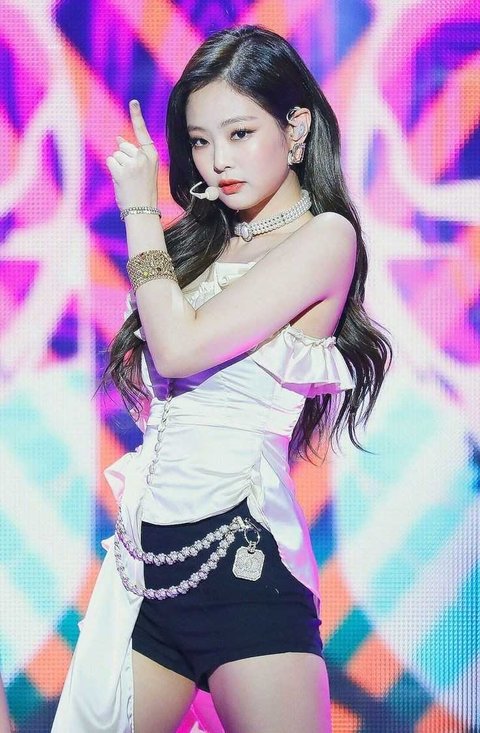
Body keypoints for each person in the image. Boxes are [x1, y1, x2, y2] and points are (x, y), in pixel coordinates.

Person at [52, 24, 391, 733]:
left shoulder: (325, 238)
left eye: (239, 134)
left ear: (295, 129)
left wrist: (140, 208)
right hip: (147, 567)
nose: (218, 160)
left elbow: (179, 350)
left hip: (243, 561)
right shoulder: (200, 245)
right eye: (201, 141)